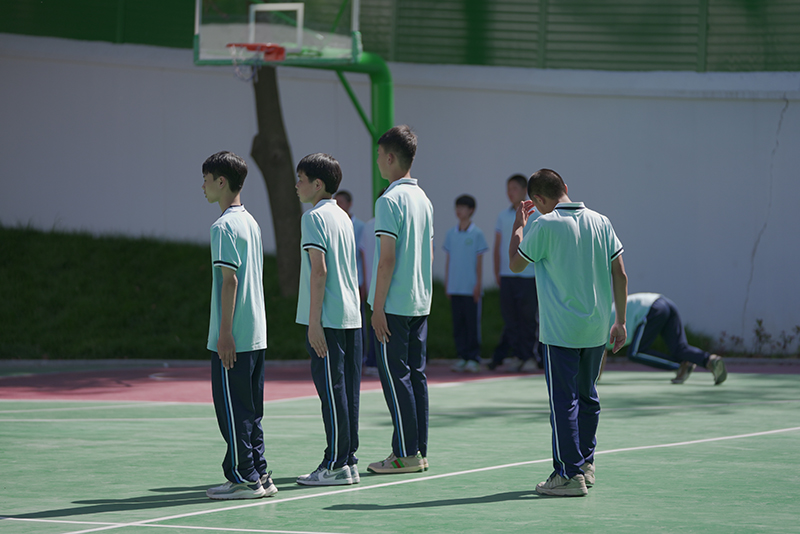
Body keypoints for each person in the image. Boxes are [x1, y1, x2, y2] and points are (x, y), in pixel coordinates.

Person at [509, 168, 628, 497]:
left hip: (560, 331)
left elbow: (515, 264)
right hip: (596, 328)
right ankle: (586, 465)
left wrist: (520, 225)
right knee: (588, 397)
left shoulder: (544, 224)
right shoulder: (601, 221)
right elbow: (620, 273)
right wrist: (620, 320)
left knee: (564, 402)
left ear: (538, 200)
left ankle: (568, 474)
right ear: (565, 186)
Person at [201, 151, 277, 500]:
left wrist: (225, 333)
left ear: (221, 182)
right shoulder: (251, 222)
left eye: (206, 179)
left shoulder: (222, 227)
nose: (202, 186)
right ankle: (260, 472)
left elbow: (229, 281)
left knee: (232, 410)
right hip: (256, 334)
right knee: (251, 411)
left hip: (236, 335)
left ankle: (245, 478)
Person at [367, 125, 434, 474]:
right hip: (419, 302)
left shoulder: (388, 200)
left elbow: (387, 259)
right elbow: (429, 254)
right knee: (415, 377)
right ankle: (417, 450)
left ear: (391, 158)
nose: (377, 161)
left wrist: (377, 307)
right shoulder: (424, 199)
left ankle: (405, 454)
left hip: (394, 305)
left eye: (380, 155)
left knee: (396, 378)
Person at [295, 154, 363, 486]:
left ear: (317, 184)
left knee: (332, 393)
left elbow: (319, 271)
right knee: (347, 392)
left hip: (330, 319)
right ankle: (347, 461)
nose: (297, 185)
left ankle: (335, 464)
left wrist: (314, 322)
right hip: (351, 316)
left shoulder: (313, 217)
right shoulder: (343, 216)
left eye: (301, 179)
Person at [603, 292, 727, 385]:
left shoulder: (602, 328)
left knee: (635, 352)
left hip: (650, 309)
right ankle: (709, 360)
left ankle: (681, 365)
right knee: (679, 348)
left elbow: (601, 352)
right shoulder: (606, 315)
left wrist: (595, 378)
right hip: (665, 303)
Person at [488, 174, 542, 372]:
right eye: (508, 189)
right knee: (511, 320)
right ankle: (518, 356)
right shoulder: (503, 215)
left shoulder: (535, 214)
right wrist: (497, 271)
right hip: (507, 276)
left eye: (514, 188)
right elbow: (498, 245)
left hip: (529, 276)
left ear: (524, 190)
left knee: (528, 319)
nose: (510, 193)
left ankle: (530, 357)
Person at [443, 195, 489, 373]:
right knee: (458, 324)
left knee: (471, 324)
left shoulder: (477, 234)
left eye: (462, 207)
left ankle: (473, 358)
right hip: (455, 287)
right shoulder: (450, 234)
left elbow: (479, 262)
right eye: (457, 207)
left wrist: (478, 284)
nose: (459, 211)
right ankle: (462, 356)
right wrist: (448, 283)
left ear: (471, 210)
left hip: (470, 289)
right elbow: (449, 260)